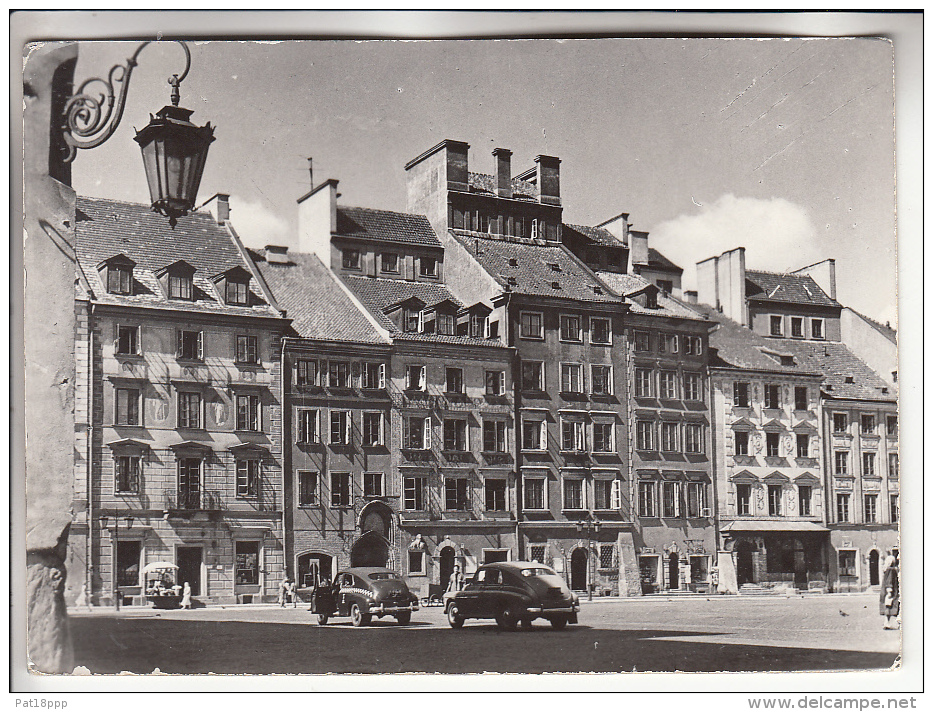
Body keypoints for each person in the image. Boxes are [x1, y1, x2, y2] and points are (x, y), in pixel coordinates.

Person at [880, 554, 900, 629]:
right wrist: (889, 590)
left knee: (888, 607)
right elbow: (889, 580)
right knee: (894, 606)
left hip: (886, 591)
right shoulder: (891, 570)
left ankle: (886, 623)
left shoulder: (887, 569)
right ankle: (896, 623)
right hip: (891, 591)